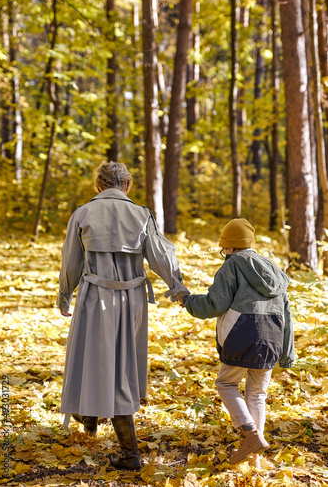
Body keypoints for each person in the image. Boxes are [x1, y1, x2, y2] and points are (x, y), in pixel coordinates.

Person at [56, 161, 189, 471]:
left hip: (95, 298)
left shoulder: (83, 213)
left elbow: (71, 263)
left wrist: (64, 293)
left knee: (94, 358)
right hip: (132, 300)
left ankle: (127, 451)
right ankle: (91, 415)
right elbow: (161, 256)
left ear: (98, 186)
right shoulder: (141, 214)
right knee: (122, 365)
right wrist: (178, 289)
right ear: (126, 185)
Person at [181, 218, 294, 466]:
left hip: (242, 335)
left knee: (226, 384)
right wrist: (286, 353)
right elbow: (287, 315)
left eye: (225, 248)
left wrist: (188, 301)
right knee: (257, 394)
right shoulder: (274, 270)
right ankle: (254, 456)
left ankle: (251, 433)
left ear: (229, 247)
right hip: (272, 338)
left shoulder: (231, 266)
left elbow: (215, 304)